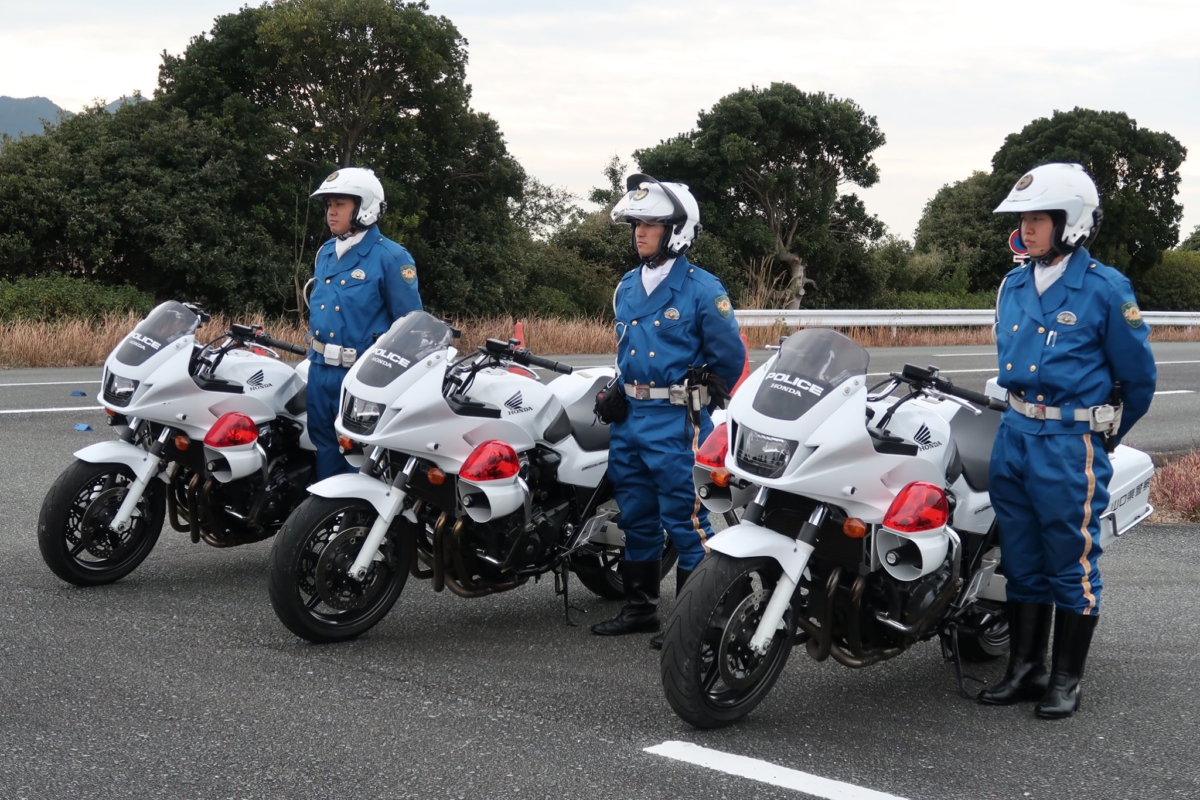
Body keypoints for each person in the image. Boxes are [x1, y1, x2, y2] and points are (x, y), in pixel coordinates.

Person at [980, 162, 1156, 719]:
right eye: (1023, 219)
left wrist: (1101, 437)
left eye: (1037, 219)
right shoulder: (1014, 283)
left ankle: (1064, 679)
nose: (1026, 229)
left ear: (1070, 222)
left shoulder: (1104, 288)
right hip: (1014, 435)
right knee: (1022, 559)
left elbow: (1140, 380)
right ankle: (1025, 670)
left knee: (1070, 562)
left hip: (1067, 441)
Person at [590, 174, 745, 646]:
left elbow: (730, 358)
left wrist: (704, 382)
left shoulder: (702, 289)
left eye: (651, 224)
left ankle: (692, 621)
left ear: (677, 228)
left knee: (686, 519)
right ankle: (640, 609)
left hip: (676, 422)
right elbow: (626, 348)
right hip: (631, 419)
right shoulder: (626, 286)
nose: (639, 232)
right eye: (636, 223)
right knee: (635, 514)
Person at [307, 167, 423, 480]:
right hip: (319, 369)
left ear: (365, 207)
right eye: (329, 204)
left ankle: (358, 526)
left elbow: (411, 327)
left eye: (340, 204)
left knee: (357, 458)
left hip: (361, 376)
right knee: (324, 450)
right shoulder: (326, 253)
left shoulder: (391, 257)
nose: (331, 212)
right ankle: (323, 524)